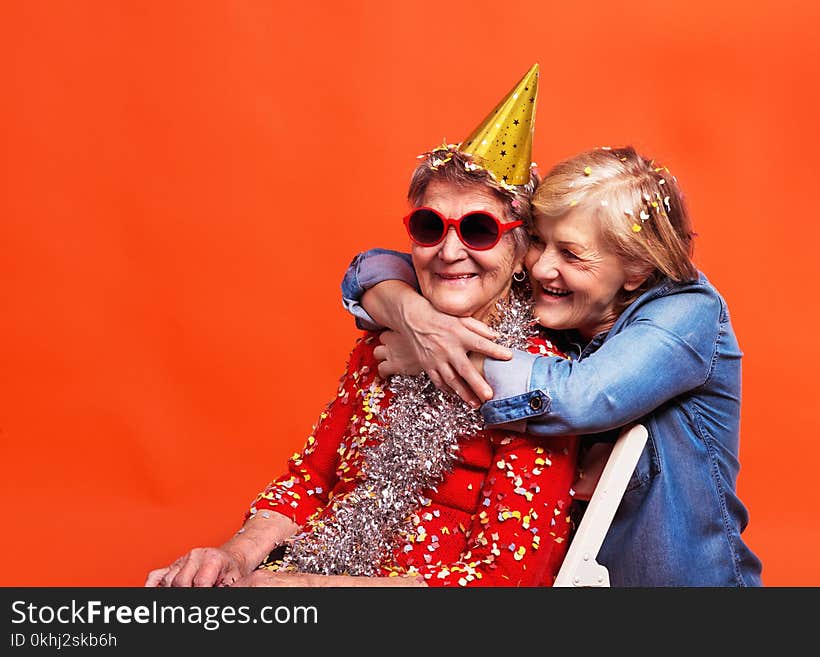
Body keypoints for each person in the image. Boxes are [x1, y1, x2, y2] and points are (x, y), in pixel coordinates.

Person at [145, 64, 581, 588]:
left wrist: (312, 591)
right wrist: (233, 557)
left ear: (520, 255)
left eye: (479, 230)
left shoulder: (538, 383)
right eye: (429, 227)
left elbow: (508, 580)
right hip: (318, 573)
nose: (448, 251)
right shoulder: (382, 350)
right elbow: (307, 481)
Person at [339, 145, 764, 586]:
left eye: (572, 254)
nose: (541, 267)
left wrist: (444, 351)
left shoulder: (690, 313)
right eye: (538, 241)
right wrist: (415, 315)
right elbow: (378, 265)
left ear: (636, 270)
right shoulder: (563, 307)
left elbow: (580, 397)